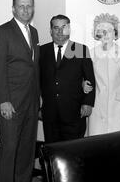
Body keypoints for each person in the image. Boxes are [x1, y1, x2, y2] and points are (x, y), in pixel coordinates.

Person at [0, 0, 39, 182]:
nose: (26, 10)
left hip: (31, 102)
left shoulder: (33, 32)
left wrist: (39, 97)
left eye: (29, 6)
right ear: (13, 8)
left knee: (26, 151)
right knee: (9, 150)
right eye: (21, 6)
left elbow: (34, 68)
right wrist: (3, 101)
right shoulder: (2, 31)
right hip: (11, 103)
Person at [39, 14, 95, 143]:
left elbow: (90, 78)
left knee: (74, 151)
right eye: (56, 27)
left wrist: (88, 103)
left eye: (63, 28)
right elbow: (36, 81)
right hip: (50, 114)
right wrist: (38, 107)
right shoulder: (42, 51)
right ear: (50, 30)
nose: (60, 31)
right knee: (52, 152)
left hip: (74, 113)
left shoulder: (80, 49)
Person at [84, 13, 120, 135]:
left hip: (118, 106)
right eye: (102, 30)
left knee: (118, 141)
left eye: (109, 30)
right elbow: (85, 76)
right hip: (97, 105)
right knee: (97, 142)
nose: (105, 34)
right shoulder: (91, 53)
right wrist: (83, 84)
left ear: (115, 33)